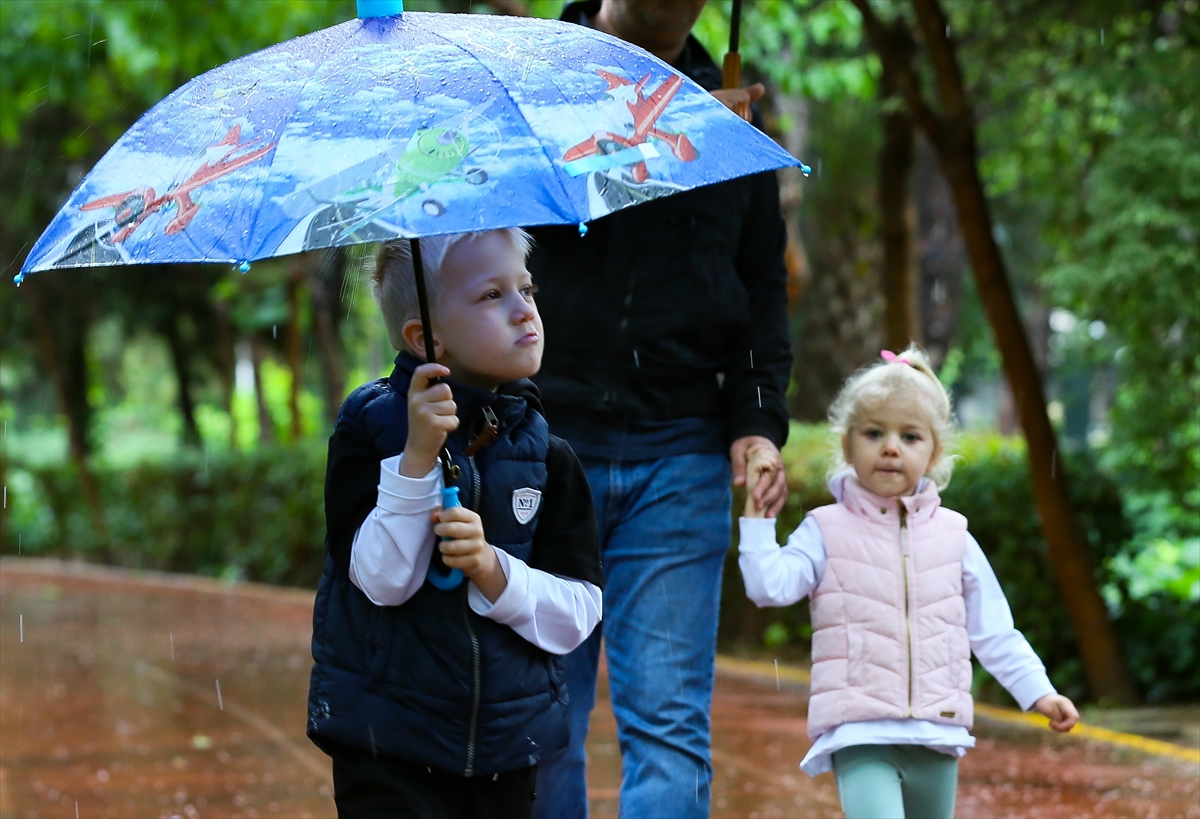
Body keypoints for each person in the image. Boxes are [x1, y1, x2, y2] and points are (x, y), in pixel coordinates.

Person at [528, 2, 793, 816]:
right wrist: (644, 131)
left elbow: (761, 284)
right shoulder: (539, 81)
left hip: (680, 452)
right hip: (540, 445)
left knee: (670, 730)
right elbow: (488, 244)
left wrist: (756, 417)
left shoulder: (731, 115)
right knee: (537, 722)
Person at [306, 229, 604, 819]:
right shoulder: (368, 429)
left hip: (505, 747)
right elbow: (382, 580)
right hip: (386, 740)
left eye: (527, 288)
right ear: (425, 338)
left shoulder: (546, 455)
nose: (525, 311)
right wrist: (415, 460)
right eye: (493, 295)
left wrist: (494, 571)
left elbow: (577, 615)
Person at [737, 346, 1080, 819]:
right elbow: (768, 587)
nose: (891, 447)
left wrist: (1038, 692)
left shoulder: (954, 536)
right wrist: (756, 520)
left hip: (937, 734)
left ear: (934, 452)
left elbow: (994, 630)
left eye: (910, 436)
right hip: (861, 732)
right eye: (874, 433)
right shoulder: (825, 529)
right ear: (847, 446)